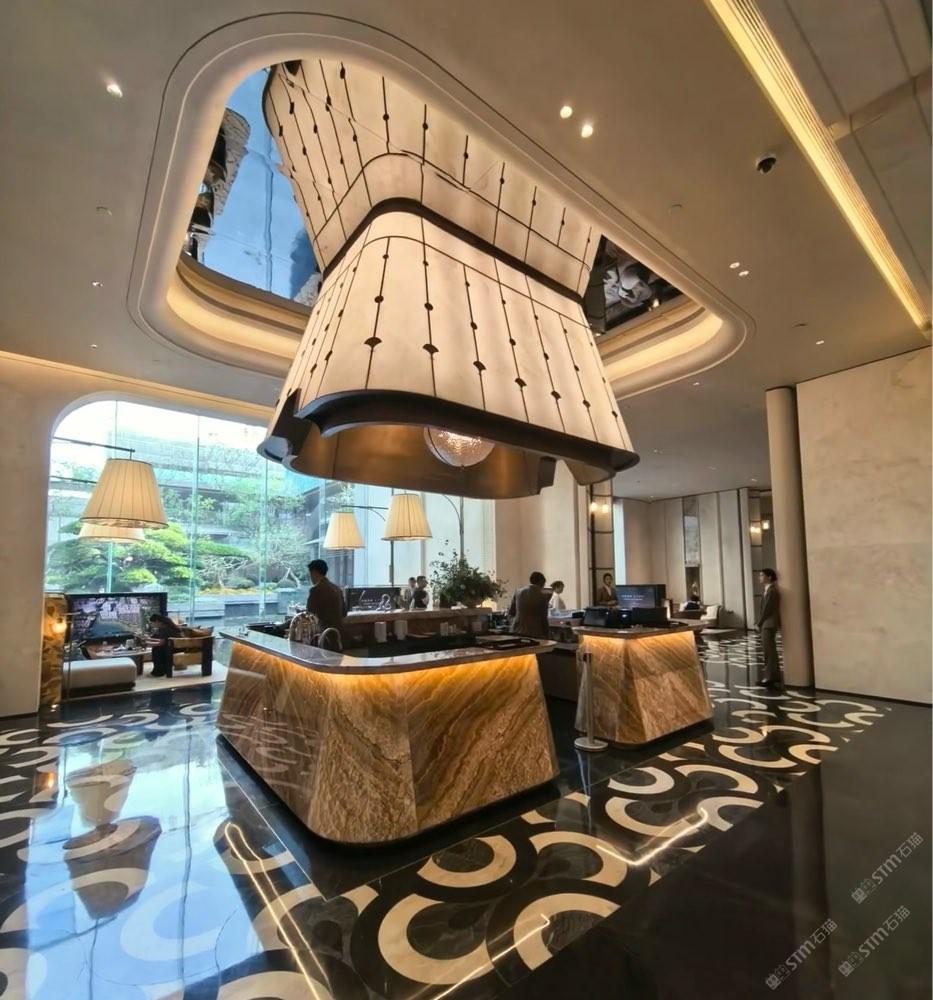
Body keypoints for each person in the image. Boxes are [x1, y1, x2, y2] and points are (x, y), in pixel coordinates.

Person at [306, 559, 347, 634]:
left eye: (310, 574)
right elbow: (344, 613)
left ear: (314, 572)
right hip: (339, 633)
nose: (310, 578)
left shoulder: (315, 590)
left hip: (324, 633)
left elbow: (310, 615)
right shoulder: (337, 588)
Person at [756, 568, 782, 687]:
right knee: (770, 651)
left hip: (769, 624)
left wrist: (759, 623)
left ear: (769, 577)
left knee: (769, 652)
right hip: (767, 624)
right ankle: (773, 676)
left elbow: (767, 610)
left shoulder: (772, 591)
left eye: (762, 575)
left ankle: (770, 677)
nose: (760, 577)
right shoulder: (768, 590)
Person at [508, 571, 550, 638]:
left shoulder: (517, 592)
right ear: (541, 582)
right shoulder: (542, 597)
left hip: (516, 631)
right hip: (533, 633)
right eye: (543, 584)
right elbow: (544, 619)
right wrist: (546, 635)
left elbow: (511, 613)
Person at [146, 613, 182, 678]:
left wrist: (147, 643)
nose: (151, 624)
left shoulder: (166, 628)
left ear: (157, 621)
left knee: (157, 649)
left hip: (176, 648)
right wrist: (148, 639)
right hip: (173, 646)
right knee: (157, 648)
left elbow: (161, 643)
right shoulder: (165, 627)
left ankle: (159, 671)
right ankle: (162, 670)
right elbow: (163, 640)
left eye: (152, 623)